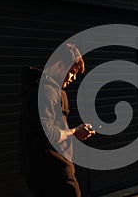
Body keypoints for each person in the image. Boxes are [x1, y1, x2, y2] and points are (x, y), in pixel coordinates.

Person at [20, 43, 95, 197]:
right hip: (55, 174)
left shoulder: (40, 89)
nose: (73, 78)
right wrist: (74, 131)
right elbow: (46, 133)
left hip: (41, 173)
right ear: (60, 65)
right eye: (72, 72)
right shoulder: (47, 91)